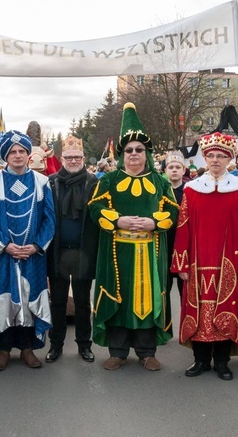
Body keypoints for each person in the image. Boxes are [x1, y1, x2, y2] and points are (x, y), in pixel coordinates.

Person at [89, 103, 179, 371]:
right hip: (117, 252)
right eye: (129, 150)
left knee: (148, 300)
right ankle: (117, 352)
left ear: (147, 153)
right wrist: (118, 219)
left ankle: (146, 352)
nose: (134, 154)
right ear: (121, 154)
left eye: (139, 149)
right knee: (119, 299)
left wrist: (154, 222)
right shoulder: (108, 180)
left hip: (150, 253)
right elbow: (94, 208)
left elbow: (174, 211)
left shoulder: (162, 181)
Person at [171, 132, 238, 380]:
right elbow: (183, 227)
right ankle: (200, 360)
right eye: (211, 155)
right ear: (205, 158)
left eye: (221, 156)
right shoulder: (192, 189)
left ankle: (221, 361)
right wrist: (181, 262)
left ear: (229, 159)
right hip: (198, 261)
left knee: (226, 306)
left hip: (229, 260)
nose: (216, 160)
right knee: (197, 310)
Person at [0, 130, 55, 371]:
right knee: (3, 296)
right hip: (2, 256)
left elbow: (49, 220)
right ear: (5, 155)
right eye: (12, 152)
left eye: (22, 151)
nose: (18, 155)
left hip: (32, 256)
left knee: (29, 296)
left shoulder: (42, 182)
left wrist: (35, 246)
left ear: (28, 154)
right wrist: (6, 246)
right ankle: (2, 350)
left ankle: (27, 348)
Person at [45, 135, 99, 363]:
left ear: (84, 158)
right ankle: (55, 345)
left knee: (82, 302)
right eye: (69, 157)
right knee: (57, 302)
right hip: (57, 251)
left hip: (82, 252)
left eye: (77, 157)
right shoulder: (51, 182)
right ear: (61, 158)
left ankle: (84, 345)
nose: (73, 160)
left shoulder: (93, 182)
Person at [163, 151, 186, 299]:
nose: (174, 170)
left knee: (185, 292)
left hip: (184, 248)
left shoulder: (191, 191)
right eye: (171, 167)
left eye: (178, 167)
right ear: (165, 170)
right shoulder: (160, 192)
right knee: (163, 292)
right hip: (164, 246)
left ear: (184, 170)